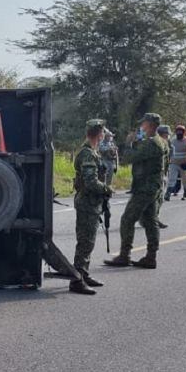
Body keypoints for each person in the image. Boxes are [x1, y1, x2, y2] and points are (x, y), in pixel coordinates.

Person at [104, 112, 168, 269]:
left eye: (144, 123)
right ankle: (150, 257)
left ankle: (125, 255)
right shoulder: (158, 141)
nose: (141, 126)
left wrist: (128, 143)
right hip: (152, 186)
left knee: (127, 219)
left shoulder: (152, 143)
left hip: (145, 187)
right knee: (150, 220)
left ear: (151, 125)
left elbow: (129, 158)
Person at [68, 119, 113, 295]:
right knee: (85, 243)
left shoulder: (92, 152)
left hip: (91, 203)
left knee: (89, 242)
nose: (104, 136)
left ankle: (84, 275)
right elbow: (90, 182)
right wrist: (107, 188)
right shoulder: (88, 154)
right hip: (87, 203)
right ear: (99, 134)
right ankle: (77, 280)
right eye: (103, 133)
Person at [166, 124, 186, 201]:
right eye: (178, 131)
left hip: (183, 163)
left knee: (185, 179)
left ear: (184, 132)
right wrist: (168, 160)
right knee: (172, 178)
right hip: (174, 163)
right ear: (176, 132)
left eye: (181, 131)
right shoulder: (172, 140)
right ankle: (168, 193)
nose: (179, 133)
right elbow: (168, 151)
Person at [156, 125, 171, 229]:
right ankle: (154, 219)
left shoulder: (164, 144)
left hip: (162, 174)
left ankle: (153, 219)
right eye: (167, 134)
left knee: (158, 198)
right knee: (158, 198)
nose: (168, 136)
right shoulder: (158, 144)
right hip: (156, 177)